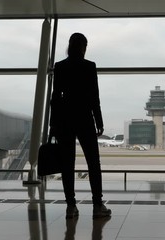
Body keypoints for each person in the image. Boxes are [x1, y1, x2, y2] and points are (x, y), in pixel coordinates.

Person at [50, 32, 111, 219]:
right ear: (83, 47)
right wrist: (99, 122)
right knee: (93, 163)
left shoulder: (60, 67)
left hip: (65, 120)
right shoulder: (89, 67)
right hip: (85, 118)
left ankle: (71, 206)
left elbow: (55, 98)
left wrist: (53, 124)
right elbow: (94, 97)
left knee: (67, 165)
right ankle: (97, 205)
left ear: (69, 46)